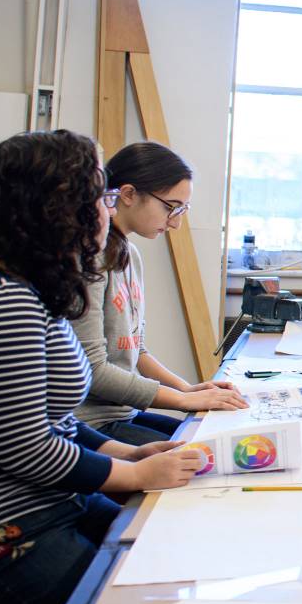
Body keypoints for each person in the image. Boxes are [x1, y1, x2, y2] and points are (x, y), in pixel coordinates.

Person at [0, 131, 206, 604]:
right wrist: (131, 474)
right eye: (100, 198)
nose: (108, 212)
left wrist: (125, 455)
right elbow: (24, 447)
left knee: (165, 556)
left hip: (42, 499)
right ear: (56, 209)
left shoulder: (32, 287)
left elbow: (53, 420)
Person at [71, 141, 245, 445]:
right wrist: (180, 401)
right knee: (201, 454)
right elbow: (93, 370)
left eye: (182, 210)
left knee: (211, 439)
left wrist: (187, 390)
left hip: (122, 414)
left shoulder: (130, 254)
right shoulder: (92, 258)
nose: (175, 222)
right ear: (127, 194)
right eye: (170, 207)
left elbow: (137, 350)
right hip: (90, 425)